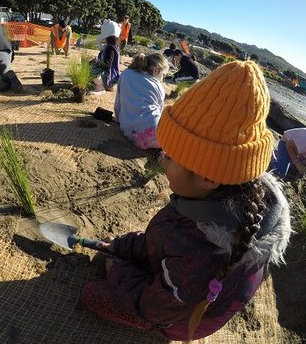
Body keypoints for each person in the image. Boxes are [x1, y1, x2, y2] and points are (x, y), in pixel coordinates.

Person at [81, 60, 291, 341]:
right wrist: (122, 246)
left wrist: (118, 269)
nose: (161, 160)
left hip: (179, 318)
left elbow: (153, 307)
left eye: (169, 155)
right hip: (180, 281)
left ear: (207, 176)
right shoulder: (211, 194)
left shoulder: (202, 253)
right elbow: (160, 239)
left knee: (93, 295)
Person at [114, 53, 169, 150]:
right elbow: (159, 111)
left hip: (129, 134)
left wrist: (119, 121)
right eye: (163, 75)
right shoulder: (158, 86)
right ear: (156, 70)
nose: (162, 79)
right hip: (153, 134)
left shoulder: (126, 73)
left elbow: (118, 103)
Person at [89, 20, 121, 96]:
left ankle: (100, 87)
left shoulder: (110, 48)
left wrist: (95, 60)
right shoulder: (113, 46)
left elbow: (107, 65)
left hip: (109, 78)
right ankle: (99, 85)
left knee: (91, 66)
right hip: (113, 77)